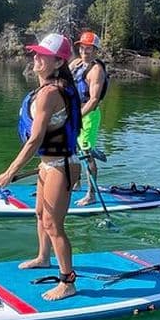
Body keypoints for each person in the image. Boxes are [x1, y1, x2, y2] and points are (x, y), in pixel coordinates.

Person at [0, 33, 82, 301]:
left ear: (58, 62)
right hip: (49, 164)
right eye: (35, 53)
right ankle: (43, 257)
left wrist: (10, 172)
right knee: (40, 214)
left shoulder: (50, 94)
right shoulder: (49, 89)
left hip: (60, 164)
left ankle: (67, 282)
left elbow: (35, 140)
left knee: (54, 224)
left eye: (42, 55)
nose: (36, 57)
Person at [69, 31, 108, 206]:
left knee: (85, 154)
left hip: (89, 116)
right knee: (71, 150)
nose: (85, 51)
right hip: (74, 114)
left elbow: (93, 100)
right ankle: (75, 184)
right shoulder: (76, 64)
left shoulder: (96, 70)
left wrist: (77, 116)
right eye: (82, 47)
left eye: (89, 48)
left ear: (95, 51)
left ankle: (91, 195)